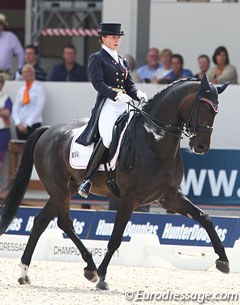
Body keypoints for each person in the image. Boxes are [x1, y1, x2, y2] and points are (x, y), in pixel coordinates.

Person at [76, 23, 148, 198]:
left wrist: (138, 93)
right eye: (114, 37)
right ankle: (87, 179)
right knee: (108, 138)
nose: (117, 40)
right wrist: (115, 95)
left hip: (125, 104)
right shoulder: (97, 58)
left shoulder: (122, 60)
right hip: (108, 105)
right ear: (103, 38)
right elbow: (98, 83)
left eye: (119, 37)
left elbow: (128, 85)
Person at [12, 64, 46, 140]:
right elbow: (15, 107)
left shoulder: (39, 88)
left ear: (32, 73)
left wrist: (27, 124)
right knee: (21, 149)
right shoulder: (21, 90)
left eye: (28, 72)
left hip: (33, 124)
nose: (25, 74)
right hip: (20, 125)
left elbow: (38, 108)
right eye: (24, 72)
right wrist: (18, 123)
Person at [0, 13, 24, 80]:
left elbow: (20, 53)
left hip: (4, 74)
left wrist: (19, 70)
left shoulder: (10, 37)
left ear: (3, 26)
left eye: (1, 24)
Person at [0, 75, 12, 176]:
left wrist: (3, 111)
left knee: (0, 160)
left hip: (2, 131)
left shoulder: (6, 97)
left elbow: (7, 113)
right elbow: (3, 111)